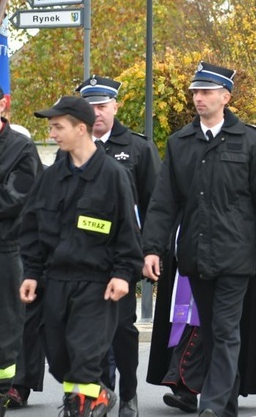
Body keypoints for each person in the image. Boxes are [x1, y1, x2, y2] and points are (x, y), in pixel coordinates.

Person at [141, 62, 256, 417]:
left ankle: (214, 405)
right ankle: (226, 402)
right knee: (214, 329)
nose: (198, 98)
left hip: (237, 254)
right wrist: (153, 248)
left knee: (226, 327)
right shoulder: (180, 142)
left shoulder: (250, 140)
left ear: (225, 97)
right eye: (195, 92)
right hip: (196, 256)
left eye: (205, 92)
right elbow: (164, 202)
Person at [19, 96, 143, 416]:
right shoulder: (50, 178)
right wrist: (31, 273)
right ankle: (96, 396)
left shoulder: (114, 176)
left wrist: (123, 274)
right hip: (55, 282)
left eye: (58, 127)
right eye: (51, 127)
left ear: (81, 128)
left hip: (96, 284)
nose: (53, 133)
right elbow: (30, 228)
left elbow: (128, 232)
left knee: (85, 359)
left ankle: (84, 405)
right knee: (61, 361)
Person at [74, 75, 161, 417]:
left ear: (115, 106)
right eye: (89, 106)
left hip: (122, 257)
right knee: (88, 330)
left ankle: (128, 393)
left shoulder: (138, 148)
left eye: (101, 105)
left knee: (122, 331)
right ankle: (99, 393)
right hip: (82, 257)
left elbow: (156, 205)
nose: (95, 113)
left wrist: (150, 251)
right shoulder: (74, 148)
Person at [0, 89, 43, 416]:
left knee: (8, 324)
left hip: (8, 248)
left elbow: (15, 198)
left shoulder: (21, 148)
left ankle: (6, 387)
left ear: (4, 104)